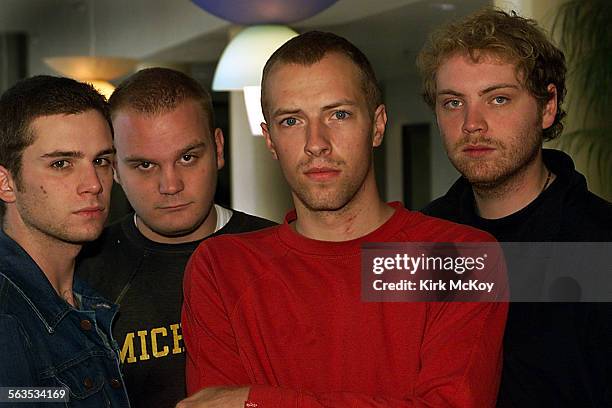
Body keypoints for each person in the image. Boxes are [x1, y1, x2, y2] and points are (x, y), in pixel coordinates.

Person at [178, 31, 507, 408]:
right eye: (291, 121)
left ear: (378, 125)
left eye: (338, 114)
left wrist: (259, 400)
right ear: (269, 140)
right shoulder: (222, 268)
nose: (316, 142)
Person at [418, 8, 612, 407]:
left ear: (547, 107)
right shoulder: (419, 242)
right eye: (453, 103)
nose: (473, 123)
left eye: (499, 99)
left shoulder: (601, 241)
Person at [76, 68, 275, 407]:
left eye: (187, 157)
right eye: (144, 165)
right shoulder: (79, 272)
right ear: (115, 170)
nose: (170, 186)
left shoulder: (280, 250)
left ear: (218, 149)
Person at [0, 76, 130, 407]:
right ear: (6, 183)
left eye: (101, 160)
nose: (93, 185)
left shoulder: (87, 295)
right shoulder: (8, 316)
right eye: (61, 164)